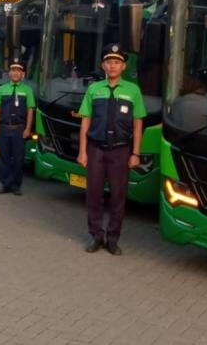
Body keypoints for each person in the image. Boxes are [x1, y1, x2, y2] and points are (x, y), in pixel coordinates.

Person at [77, 44, 145, 256]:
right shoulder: (94, 89)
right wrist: (82, 151)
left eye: (117, 62)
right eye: (109, 62)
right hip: (96, 149)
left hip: (121, 151)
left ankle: (113, 238)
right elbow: (85, 122)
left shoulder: (133, 90)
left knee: (118, 196)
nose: (112, 66)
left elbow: (137, 123)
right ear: (103, 65)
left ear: (123, 66)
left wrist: (135, 153)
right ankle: (96, 235)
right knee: (94, 195)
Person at [0, 58, 35, 196]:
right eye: (13, 70)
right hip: (3, 128)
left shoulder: (27, 90)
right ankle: (6, 184)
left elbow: (30, 110)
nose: (15, 73)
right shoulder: (2, 89)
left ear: (23, 74)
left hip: (19, 129)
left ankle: (16, 185)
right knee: (3, 158)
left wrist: (28, 128)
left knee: (18, 158)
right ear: (9, 73)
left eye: (19, 71)